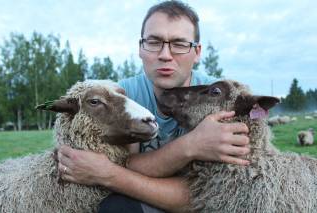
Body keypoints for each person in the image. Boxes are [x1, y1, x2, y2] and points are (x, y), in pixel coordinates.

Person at [57, 1, 250, 212]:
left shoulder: (220, 99)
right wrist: (191, 145)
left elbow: (209, 196)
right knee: (116, 207)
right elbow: (125, 163)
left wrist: (110, 174)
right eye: (154, 41)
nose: (165, 55)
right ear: (140, 48)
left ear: (197, 52)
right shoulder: (120, 96)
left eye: (179, 44)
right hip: (144, 201)